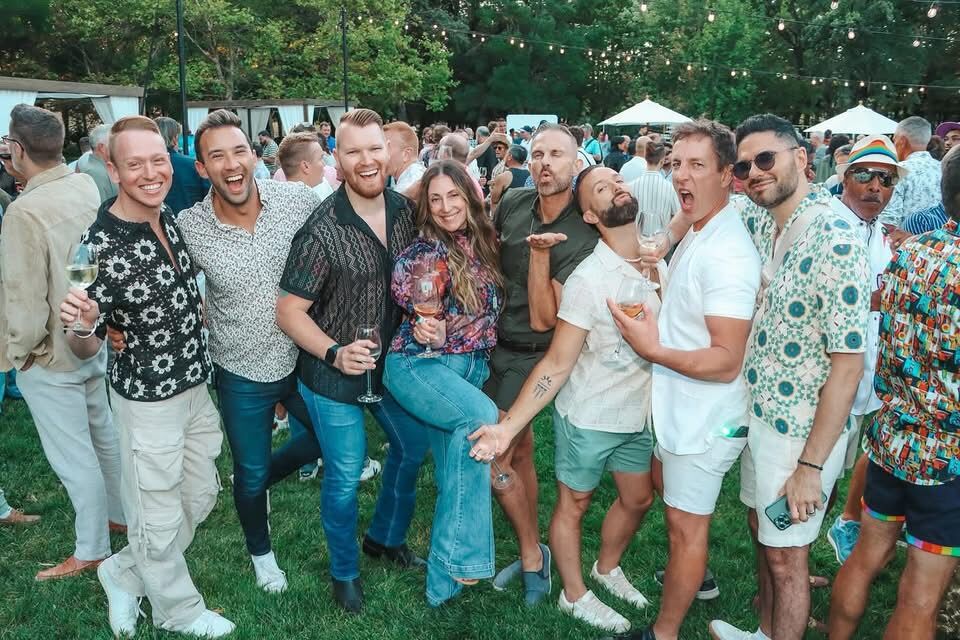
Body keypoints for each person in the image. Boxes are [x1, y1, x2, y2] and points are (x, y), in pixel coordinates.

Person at [60, 115, 234, 638]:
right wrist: (89, 325)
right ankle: (178, 610)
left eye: (158, 159)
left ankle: (123, 571)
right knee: (156, 515)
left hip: (195, 386)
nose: (151, 172)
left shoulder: (167, 214)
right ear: (112, 169)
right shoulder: (98, 246)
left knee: (200, 494)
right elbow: (80, 340)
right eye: (134, 163)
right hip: (147, 400)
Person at [472, 166, 662, 633]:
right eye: (602, 189)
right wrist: (507, 426)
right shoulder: (588, 280)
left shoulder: (655, 260)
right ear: (592, 216)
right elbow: (555, 363)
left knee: (638, 500)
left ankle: (607, 567)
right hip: (592, 414)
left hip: (641, 411)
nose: (617, 187)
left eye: (617, 180)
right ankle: (574, 595)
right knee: (574, 503)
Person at [706, 114, 869, 640]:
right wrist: (662, 242)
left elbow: (849, 365)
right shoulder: (765, 214)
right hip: (762, 413)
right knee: (761, 529)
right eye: (744, 165)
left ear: (802, 158)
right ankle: (764, 630)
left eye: (766, 159)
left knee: (788, 559)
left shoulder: (836, 239)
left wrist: (810, 467)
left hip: (802, 434)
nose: (753, 172)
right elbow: (708, 207)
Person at [605, 120, 762, 640]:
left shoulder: (728, 254)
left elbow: (725, 360)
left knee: (684, 527)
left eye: (697, 166)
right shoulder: (703, 222)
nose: (681, 176)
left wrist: (652, 348)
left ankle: (664, 630)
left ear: (728, 175)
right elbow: (678, 221)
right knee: (662, 486)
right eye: (676, 165)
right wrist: (662, 245)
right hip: (678, 408)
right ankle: (696, 577)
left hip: (706, 418)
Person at [276, 108, 430, 614]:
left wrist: (428, 317)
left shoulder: (406, 212)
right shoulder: (321, 231)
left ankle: (384, 538)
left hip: (392, 366)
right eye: (353, 151)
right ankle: (344, 571)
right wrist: (335, 353)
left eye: (374, 148)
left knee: (412, 446)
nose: (366, 161)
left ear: (389, 152)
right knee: (344, 471)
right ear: (335, 160)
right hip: (331, 372)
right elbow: (289, 311)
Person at [175, 109, 330, 595]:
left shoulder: (297, 200)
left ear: (254, 156)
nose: (231, 163)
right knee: (249, 472)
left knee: (332, 443)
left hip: (305, 359)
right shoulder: (189, 226)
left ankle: (264, 480)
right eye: (216, 156)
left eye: (238, 150)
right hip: (240, 369)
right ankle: (262, 556)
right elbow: (168, 287)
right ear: (202, 169)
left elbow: (344, 240)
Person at [827, 141, 960, 640]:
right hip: (946, 460)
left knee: (865, 557)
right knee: (920, 598)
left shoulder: (910, 252)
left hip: (891, 438)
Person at [0, 103, 124, 582]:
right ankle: (122, 518)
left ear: (18, 148)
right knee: (103, 438)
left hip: (51, 350)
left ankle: (92, 548)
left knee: (75, 457)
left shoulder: (23, 210)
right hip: (90, 335)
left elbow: (24, 295)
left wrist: (20, 352)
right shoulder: (84, 184)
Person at [483, 123, 599, 605]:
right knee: (521, 452)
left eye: (557, 154)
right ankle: (533, 546)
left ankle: (533, 555)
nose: (545, 162)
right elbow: (488, 256)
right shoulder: (513, 202)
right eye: (538, 154)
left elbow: (547, 317)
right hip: (493, 343)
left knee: (497, 458)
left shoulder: (586, 227)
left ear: (577, 163)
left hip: (539, 355)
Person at [383, 160, 503, 607]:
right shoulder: (424, 254)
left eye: (453, 195)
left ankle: (440, 588)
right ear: (425, 206)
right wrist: (428, 326)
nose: (446, 206)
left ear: (469, 196)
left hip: (467, 366)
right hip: (420, 364)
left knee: (457, 471)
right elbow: (422, 310)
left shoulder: (483, 241)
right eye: (435, 199)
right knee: (480, 420)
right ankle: (465, 560)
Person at [823, 135, 908, 565]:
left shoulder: (877, 230)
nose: (876, 187)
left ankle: (802, 559)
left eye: (886, 179)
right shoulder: (828, 225)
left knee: (835, 474)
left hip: (863, 376)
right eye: (864, 175)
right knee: (812, 475)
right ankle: (780, 586)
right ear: (844, 177)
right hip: (824, 379)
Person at [881, 116, 941, 227]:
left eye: (894, 140)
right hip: (944, 241)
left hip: (906, 242)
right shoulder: (943, 168)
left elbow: (889, 220)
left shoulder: (898, 170)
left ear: (902, 141)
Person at [154, 116, 210, 215]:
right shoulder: (194, 165)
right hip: (194, 224)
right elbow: (210, 198)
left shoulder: (144, 167)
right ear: (175, 139)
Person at [629, 141, 680, 236]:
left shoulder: (630, 187)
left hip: (637, 240)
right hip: (662, 241)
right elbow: (678, 215)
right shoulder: (670, 188)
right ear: (662, 161)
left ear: (645, 159)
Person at [277, 131, 334, 200]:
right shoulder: (312, 198)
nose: (324, 164)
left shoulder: (323, 184)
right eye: (320, 158)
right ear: (305, 166)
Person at [76, 124, 118, 203]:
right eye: (115, 142)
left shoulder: (101, 167)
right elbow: (101, 210)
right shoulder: (94, 174)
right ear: (102, 147)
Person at [384, 121, 426, 196]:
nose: (379, 155)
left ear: (406, 154)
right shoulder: (418, 175)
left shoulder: (408, 185)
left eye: (385, 148)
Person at [489, 144, 529, 209]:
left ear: (510, 156)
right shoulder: (531, 175)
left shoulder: (503, 177)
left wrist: (492, 190)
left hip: (508, 215)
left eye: (506, 154)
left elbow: (494, 201)